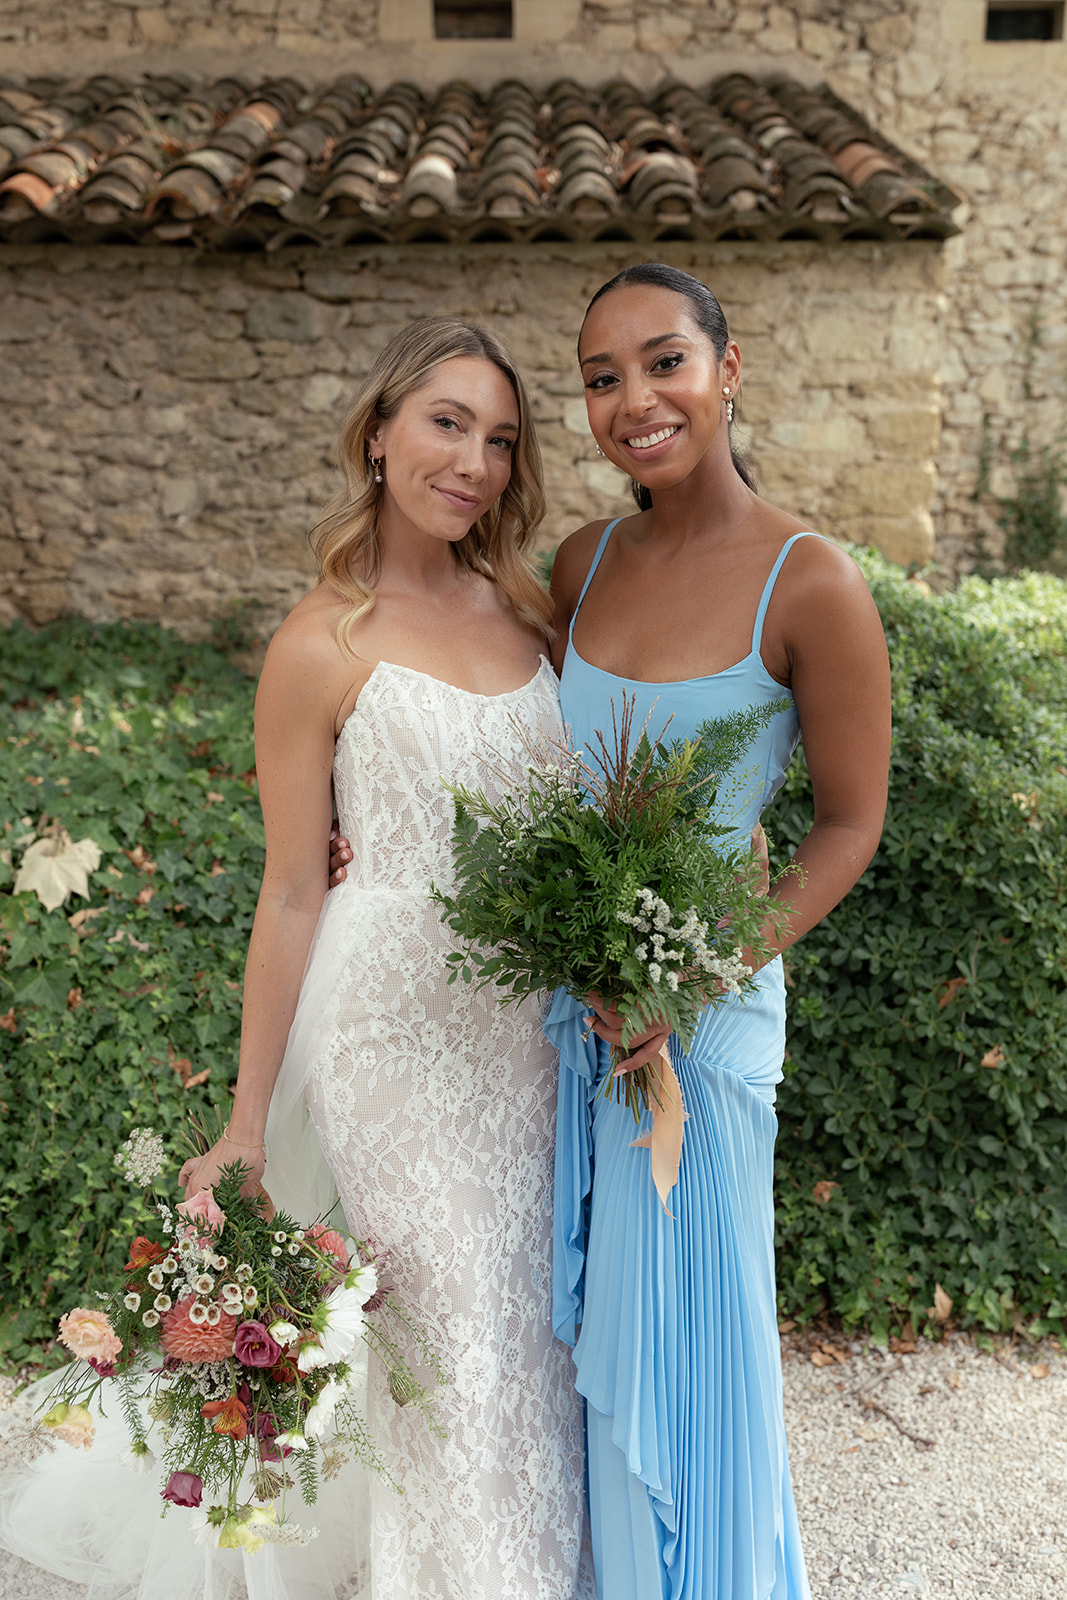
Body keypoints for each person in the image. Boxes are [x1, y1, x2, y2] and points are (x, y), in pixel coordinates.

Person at [0, 319, 593, 1600]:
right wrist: (244, 1121)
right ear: (377, 434)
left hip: (526, 1038)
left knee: (521, 1320)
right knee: (441, 1319)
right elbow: (288, 887)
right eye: (446, 423)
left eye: (499, 440)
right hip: (386, 1033)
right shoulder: (320, 641)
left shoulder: (532, 616)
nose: (473, 463)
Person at [545, 263, 891, 1600]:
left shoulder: (811, 583)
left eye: (663, 361)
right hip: (573, 1009)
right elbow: (510, 746)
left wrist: (687, 976)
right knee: (586, 1343)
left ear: (726, 370)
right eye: (600, 377)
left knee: (694, 1339)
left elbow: (846, 825)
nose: (633, 399)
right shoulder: (580, 563)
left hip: (705, 1021)